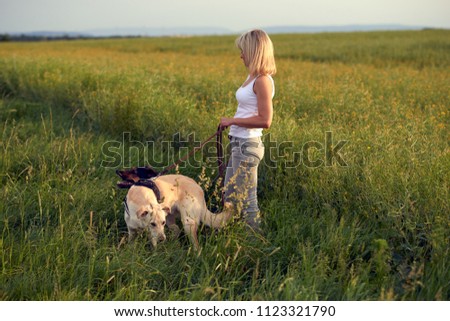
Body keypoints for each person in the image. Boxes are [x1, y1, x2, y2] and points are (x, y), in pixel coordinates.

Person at [220, 29, 276, 231]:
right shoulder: (252, 77)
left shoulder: (262, 80)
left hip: (248, 146)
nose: (241, 55)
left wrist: (232, 120)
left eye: (244, 50)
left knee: (247, 201)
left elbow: (265, 120)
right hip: (239, 143)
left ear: (254, 51)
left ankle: (255, 244)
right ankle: (232, 237)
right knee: (230, 195)